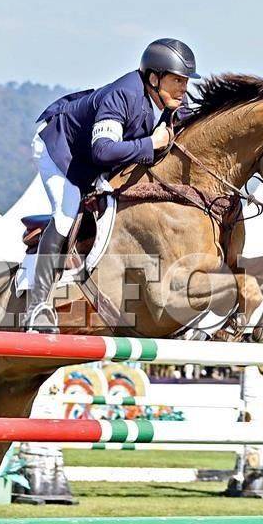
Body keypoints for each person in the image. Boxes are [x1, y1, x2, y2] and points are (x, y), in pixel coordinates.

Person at [25, 38, 200, 332]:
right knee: (67, 214)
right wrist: (151, 143)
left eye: (185, 81)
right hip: (60, 148)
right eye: (177, 80)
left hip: (93, 158)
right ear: (154, 78)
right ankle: (37, 307)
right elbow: (103, 151)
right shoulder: (123, 95)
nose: (183, 88)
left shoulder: (172, 103)